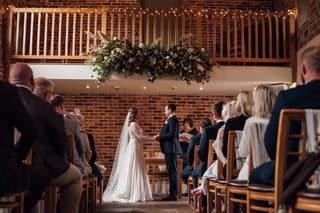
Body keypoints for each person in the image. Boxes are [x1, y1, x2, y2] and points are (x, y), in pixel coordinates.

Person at [9, 63, 82, 213]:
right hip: (35, 170)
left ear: (9, 80)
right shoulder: (43, 107)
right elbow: (61, 145)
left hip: (5, 168)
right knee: (75, 176)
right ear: (31, 82)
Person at [249, 45, 320, 185]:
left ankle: (280, 206)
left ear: (303, 69)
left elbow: (271, 142)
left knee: (255, 175)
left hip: (296, 169)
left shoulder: (288, 98)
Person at [103, 107, 153, 202]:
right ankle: (133, 192)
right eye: (139, 113)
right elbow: (139, 137)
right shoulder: (133, 124)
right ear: (135, 115)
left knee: (138, 168)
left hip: (137, 147)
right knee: (135, 167)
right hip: (134, 147)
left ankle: (139, 192)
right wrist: (152, 139)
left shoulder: (134, 124)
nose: (141, 115)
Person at [0, 80, 36, 193]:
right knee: (40, 178)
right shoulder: (6, 90)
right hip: (2, 174)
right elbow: (30, 131)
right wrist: (16, 156)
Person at [155, 103, 183, 201]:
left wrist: (160, 137)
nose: (164, 112)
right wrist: (161, 135)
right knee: (171, 172)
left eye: (165, 110)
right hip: (169, 149)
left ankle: (173, 195)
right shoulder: (171, 120)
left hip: (172, 149)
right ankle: (172, 193)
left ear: (170, 110)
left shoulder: (173, 119)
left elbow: (172, 134)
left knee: (173, 172)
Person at [180, 118, 212, 185]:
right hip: (213, 165)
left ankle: (194, 188)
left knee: (183, 174)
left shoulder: (195, 139)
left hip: (200, 165)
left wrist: (191, 164)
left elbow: (189, 157)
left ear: (200, 128)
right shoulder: (215, 136)